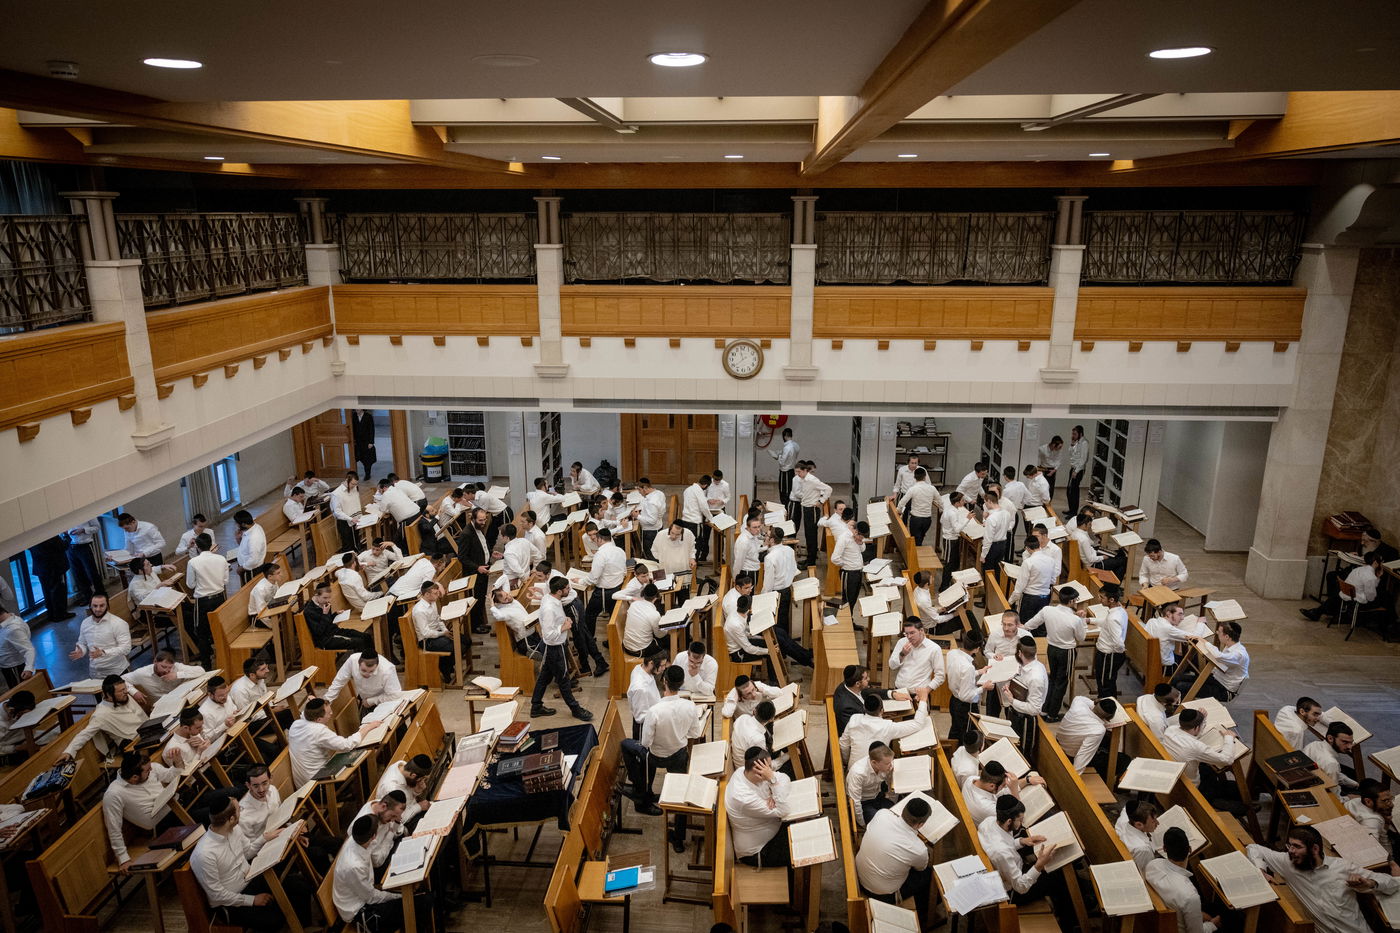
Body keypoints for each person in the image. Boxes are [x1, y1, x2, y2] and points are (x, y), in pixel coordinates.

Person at [1247, 825, 1398, 933]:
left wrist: (1369, 883)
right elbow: (1253, 848)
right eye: (1289, 845)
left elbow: (1392, 883)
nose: (1291, 851)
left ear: (1315, 849)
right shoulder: (1288, 862)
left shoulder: (1342, 867)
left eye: (1297, 847)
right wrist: (1261, 870)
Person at [623, 665, 704, 848]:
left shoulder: (655, 711)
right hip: (678, 756)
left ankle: (640, 789)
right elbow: (694, 733)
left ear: (664, 682)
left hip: (656, 756)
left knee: (626, 745)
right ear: (682, 683)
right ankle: (679, 838)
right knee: (681, 795)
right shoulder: (690, 706)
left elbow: (645, 742)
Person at [334, 814, 428, 930]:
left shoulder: (359, 840)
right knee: (419, 903)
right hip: (361, 911)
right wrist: (399, 896)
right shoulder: (354, 866)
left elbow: (378, 859)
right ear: (374, 836)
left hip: (368, 893)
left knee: (420, 893)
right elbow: (371, 897)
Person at [978, 796, 1069, 915]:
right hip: (1012, 892)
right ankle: (1069, 921)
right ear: (1009, 821)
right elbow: (1020, 887)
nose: (1021, 823)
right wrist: (1039, 864)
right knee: (1057, 875)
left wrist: (1022, 841)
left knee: (1050, 864)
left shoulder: (989, 821)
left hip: (1010, 868)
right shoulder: (1001, 852)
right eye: (1020, 820)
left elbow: (1003, 843)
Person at [856, 799, 933, 923]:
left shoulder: (882, 814)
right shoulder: (918, 849)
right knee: (929, 875)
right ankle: (923, 917)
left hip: (861, 874)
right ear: (920, 825)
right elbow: (920, 868)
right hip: (881, 894)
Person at [530, 577, 594, 722]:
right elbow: (549, 634)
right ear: (559, 591)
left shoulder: (550, 597)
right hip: (555, 648)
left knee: (544, 677)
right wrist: (563, 627)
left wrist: (565, 620)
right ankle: (576, 709)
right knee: (563, 680)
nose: (569, 590)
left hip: (555, 645)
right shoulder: (549, 609)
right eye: (566, 588)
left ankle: (536, 706)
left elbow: (556, 621)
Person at [103, 752, 181, 869]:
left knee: (214, 800)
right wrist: (123, 859)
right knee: (206, 819)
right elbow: (114, 827)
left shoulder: (149, 768)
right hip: (162, 826)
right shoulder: (114, 794)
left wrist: (178, 763)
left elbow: (170, 776)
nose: (151, 770)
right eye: (148, 771)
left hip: (176, 807)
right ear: (134, 777)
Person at [1162, 708, 1243, 815]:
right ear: (1196, 727)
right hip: (1192, 787)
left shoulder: (1171, 729)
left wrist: (1202, 719)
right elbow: (1226, 760)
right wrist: (1228, 738)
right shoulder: (1195, 747)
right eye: (1201, 725)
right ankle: (1214, 802)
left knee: (1211, 770)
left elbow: (1194, 733)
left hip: (1178, 774)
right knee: (1235, 789)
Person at [725, 746, 792, 867]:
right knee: (800, 851)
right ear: (758, 769)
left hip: (775, 825)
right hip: (759, 850)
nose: (770, 771)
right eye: (768, 768)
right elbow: (784, 810)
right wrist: (773, 782)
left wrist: (774, 785)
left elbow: (785, 778)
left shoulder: (744, 771)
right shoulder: (742, 798)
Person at [1025, 588, 1086, 720]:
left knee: (1052, 679)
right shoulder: (1074, 620)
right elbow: (1081, 637)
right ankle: (1053, 714)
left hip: (1051, 648)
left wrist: (1023, 627)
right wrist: (1082, 620)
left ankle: (1045, 709)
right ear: (1071, 601)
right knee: (1061, 683)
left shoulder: (1048, 610)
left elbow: (1032, 623)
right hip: (1066, 651)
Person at [1145, 827, 1220, 933]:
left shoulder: (1152, 865)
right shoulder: (1189, 895)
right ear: (1189, 849)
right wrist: (1212, 924)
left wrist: (1199, 913)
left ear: (1164, 849)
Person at [59, 675, 145, 760]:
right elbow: (85, 734)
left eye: (125, 688)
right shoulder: (101, 714)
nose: (126, 692)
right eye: (121, 690)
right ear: (109, 694)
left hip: (146, 731)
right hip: (131, 742)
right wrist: (69, 751)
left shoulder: (123, 697)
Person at [840, 687, 931, 765]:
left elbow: (843, 745)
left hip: (853, 767)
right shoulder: (887, 726)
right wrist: (923, 700)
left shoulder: (854, 719)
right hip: (874, 774)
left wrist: (846, 762)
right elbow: (917, 724)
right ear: (882, 711)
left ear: (864, 708)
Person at [287, 698, 360, 786]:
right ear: (318, 720)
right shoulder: (319, 730)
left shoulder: (295, 724)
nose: (331, 714)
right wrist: (365, 729)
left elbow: (304, 714)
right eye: (328, 713)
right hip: (319, 783)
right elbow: (347, 745)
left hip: (304, 782)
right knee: (359, 759)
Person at [1173, 620, 1250, 703]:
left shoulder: (1239, 654)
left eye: (1219, 631)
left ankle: (1178, 707)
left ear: (1227, 637)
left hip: (1225, 690)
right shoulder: (1230, 645)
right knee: (1178, 678)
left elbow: (1218, 656)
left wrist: (1204, 641)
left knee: (1181, 686)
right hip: (1217, 679)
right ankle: (1168, 700)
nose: (1217, 632)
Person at [1304, 552, 1386, 624]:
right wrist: (1378, 578)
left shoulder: (1357, 569)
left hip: (1345, 595)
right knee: (1386, 598)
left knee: (1335, 598)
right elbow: (1370, 598)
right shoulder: (1371, 577)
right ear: (1375, 563)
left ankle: (1317, 612)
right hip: (1356, 601)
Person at [186, 533, 229, 668]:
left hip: (203, 601)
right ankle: (225, 659)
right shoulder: (221, 559)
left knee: (202, 633)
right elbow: (226, 580)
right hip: (220, 598)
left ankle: (207, 665)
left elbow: (190, 585)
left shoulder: (193, 562)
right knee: (222, 629)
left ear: (197, 547)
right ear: (211, 545)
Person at [1003, 636, 1048, 754]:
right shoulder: (1028, 665)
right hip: (1016, 714)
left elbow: (1034, 709)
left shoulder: (1035, 677)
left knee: (1021, 753)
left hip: (1025, 722)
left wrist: (1012, 700)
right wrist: (1010, 683)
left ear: (1019, 653)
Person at [68, 593, 131, 678]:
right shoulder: (85, 623)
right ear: (90, 606)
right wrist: (81, 650)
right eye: (95, 606)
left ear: (107, 606)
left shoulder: (119, 623)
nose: (98, 609)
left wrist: (103, 652)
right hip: (95, 673)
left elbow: (126, 648)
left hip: (117, 672)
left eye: (102, 606)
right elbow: (82, 642)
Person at [303, 581, 374, 653]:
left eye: (329, 597)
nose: (327, 600)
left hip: (335, 631)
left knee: (366, 636)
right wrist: (325, 614)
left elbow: (328, 621)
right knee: (359, 642)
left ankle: (375, 659)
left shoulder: (325, 603)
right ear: (316, 595)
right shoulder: (309, 611)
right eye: (325, 598)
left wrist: (335, 614)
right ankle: (363, 662)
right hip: (326, 639)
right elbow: (319, 632)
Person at [1057, 696, 1121, 774]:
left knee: (1107, 740)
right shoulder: (1098, 730)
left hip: (1060, 742)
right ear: (1109, 718)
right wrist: (1075, 777)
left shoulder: (1078, 703)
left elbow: (1085, 700)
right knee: (1123, 760)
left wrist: (1096, 703)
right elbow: (1083, 755)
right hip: (1069, 755)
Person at [584, 527, 627, 637]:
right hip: (618, 588)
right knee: (614, 616)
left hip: (604, 591)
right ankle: (613, 640)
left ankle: (589, 641)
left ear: (599, 540)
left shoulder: (601, 554)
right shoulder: (620, 550)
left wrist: (580, 580)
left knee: (589, 614)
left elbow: (593, 578)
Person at [327, 650, 402, 709]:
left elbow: (395, 695)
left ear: (377, 665)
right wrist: (327, 701)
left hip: (386, 701)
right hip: (364, 699)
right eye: (363, 670)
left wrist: (371, 701)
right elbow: (339, 681)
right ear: (358, 663)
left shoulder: (388, 669)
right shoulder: (353, 660)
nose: (367, 674)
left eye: (371, 671)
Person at [410, 581, 454, 683]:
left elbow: (438, 619)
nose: (438, 595)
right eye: (435, 593)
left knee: (465, 641)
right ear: (426, 594)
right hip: (427, 641)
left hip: (437, 633)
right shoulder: (419, 610)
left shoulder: (432, 602)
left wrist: (445, 630)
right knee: (453, 646)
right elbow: (425, 633)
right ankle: (445, 668)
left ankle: (448, 665)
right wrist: (443, 634)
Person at [946, 627, 985, 740]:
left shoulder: (952, 653)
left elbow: (960, 675)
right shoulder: (968, 667)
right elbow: (966, 696)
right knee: (967, 736)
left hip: (954, 701)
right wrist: (983, 688)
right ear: (977, 649)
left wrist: (979, 672)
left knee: (955, 730)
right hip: (965, 707)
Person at [888, 617, 946, 693]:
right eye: (906, 633)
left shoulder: (934, 648)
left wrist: (926, 691)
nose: (909, 637)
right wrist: (902, 654)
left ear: (921, 630)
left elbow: (940, 676)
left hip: (919, 693)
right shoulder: (901, 642)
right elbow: (892, 666)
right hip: (899, 690)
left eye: (912, 633)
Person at [376, 755, 435, 827]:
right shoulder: (392, 788)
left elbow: (409, 795)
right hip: (401, 823)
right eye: (421, 779)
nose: (422, 781)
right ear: (413, 775)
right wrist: (419, 807)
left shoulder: (404, 766)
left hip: (412, 809)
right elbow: (399, 818)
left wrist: (417, 790)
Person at [125, 650, 206, 702]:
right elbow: (120, 679)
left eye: (170, 667)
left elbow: (201, 670)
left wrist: (177, 675)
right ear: (155, 662)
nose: (166, 671)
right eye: (163, 667)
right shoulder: (141, 673)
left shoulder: (176, 667)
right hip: (161, 704)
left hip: (182, 699)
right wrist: (133, 691)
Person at [794, 462, 833, 568]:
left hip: (812, 510)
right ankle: (809, 559)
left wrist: (821, 501)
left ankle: (811, 562)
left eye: (799, 472)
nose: (797, 474)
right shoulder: (804, 479)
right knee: (808, 535)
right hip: (806, 508)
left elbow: (828, 489)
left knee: (811, 536)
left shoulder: (812, 480)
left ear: (805, 470)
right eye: (796, 472)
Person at [1094, 582, 1129, 699]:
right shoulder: (1119, 610)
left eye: (1102, 597)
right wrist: (1089, 620)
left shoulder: (1114, 618)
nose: (1099, 599)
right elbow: (1106, 622)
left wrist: (1120, 652)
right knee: (1106, 682)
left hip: (1108, 656)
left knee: (1105, 685)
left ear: (1112, 599)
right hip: (1107, 655)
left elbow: (1118, 642)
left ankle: (1106, 708)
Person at [1345, 780, 1396, 858]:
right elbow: (1372, 848)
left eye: (1390, 799)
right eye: (1385, 801)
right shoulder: (1372, 821)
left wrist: (1386, 823)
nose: (1391, 804)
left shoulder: (1356, 801)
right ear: (1368, 801)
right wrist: (1391, 860)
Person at [1303, 722, 1359, 792]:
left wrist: (1355, 784)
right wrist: (1348, 798)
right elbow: (1334, 794)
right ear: (1330, 738)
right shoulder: (1332, 764)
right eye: (1345, 742)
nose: (1349, 747)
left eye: (1351, 742)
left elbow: (1334, 774)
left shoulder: (1313, 744)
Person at [1010, 536, 1056, 622]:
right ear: (1039, 545)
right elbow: (1053, 580)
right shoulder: (1051, 560)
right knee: (1040, 626)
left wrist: (1010, 601)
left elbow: (1020, 586)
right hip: (1045, 597)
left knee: (1026, 625)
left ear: (1027, 548)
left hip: (1030, 598)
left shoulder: (1028, 562)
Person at [896, 467, 940, 546]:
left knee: (915, 540)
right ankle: (918, 552)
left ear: (914, 477)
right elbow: (940, 501)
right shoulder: (932, 488)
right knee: (920, 538)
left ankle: (915, 555)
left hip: (916, 519)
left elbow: (902, 502)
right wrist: (942, 509)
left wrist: (899, 510)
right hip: (927, 519)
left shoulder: (913, 489)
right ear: (925, 477)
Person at [830, 518, 866, 613]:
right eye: (861, 537)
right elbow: (834, 558)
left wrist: (860, 542)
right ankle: (846, 622)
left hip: (858, 572)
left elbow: (862, 549)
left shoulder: (859, 538)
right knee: (847, 600)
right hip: (848, 574)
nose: (862, 538)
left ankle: (851, 620)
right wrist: (846, 565)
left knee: (853, 599)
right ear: (856, 531)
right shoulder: (844, 538)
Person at [627, 654, 666, 739]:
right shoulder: (641, 688)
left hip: (652, 713)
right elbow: (640, 717)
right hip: (644, 728)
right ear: (651, 663)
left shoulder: (640, 667)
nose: (663, 668)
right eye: (662, 665)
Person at [1115, 799, 1160, 872]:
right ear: (1139, 825)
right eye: (1153, 821)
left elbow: (1125, 809)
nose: (1158, 823)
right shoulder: (1143, 850)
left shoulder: (1123, 821)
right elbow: (1143, 873)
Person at [64, 519, 103, 603]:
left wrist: (83, 530)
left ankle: (101, 594)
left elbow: (97, 527)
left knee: (91, 572)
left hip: (84, 546)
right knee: (77, 574)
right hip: (70, 546)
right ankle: (87, 597)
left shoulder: (87, 513)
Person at [623, 583, 667, 657]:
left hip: (627, 645)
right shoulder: (654, 614)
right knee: (667, 640)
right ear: (656, 596)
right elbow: (660, 635)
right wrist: (667, 628)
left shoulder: (634, 604)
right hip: (641, 649)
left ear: (643, 594)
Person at [938, 492, 971, 589]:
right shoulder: (952, 513)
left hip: (954, 538)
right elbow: (957, 529)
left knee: (955, 562)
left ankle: (951, 582)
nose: (964, 502)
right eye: (962, 500)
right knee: (949, 563)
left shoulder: (951, 508)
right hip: (950, 540)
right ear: (957, 502)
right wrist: (967, 519)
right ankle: (943, 586)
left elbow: (941, 520)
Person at [720, 675, 785, 720]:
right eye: (748, 694)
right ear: (740, 695)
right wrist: (735, 698)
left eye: (753, 689)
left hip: (765, 720)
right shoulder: (734, 696)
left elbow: (779, 693)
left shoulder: (757, 685)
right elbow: (727, 713)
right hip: (748, 727)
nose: (753, 695)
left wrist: (763, 690)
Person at [0, 604, 35, 686]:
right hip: (9, 664)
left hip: (13, 667)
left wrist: (28, 669)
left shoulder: (13, 629)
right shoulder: (11, 617)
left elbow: (29, 649)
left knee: (18, 690)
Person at [771, 427, 799, 516]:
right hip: (791, 470)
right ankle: (787, 508)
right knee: (789, 489)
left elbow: (782, 462)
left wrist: (777, 456)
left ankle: (786, 510)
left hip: (785, 472)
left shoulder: (787, 447)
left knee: (784, 492)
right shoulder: (795, 445)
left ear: (785, 436)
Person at [232, 510, 267, 578]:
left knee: (250, 588)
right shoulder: (253, 527)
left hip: (251, 570)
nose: (236, 525)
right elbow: (244, 548)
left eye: (237, 523)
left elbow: (253, 560)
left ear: (243, 524)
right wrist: (238, 538)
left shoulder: (254, 538)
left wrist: (241, 569)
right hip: (247, 567)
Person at [1064, 426, 1089, 515]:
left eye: (1075, 434)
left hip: (1078, 470)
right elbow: (1070, 453)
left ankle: (1074, 512)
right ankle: (1071, 509)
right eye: (1072, 434)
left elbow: (1083, 459)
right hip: (1073, 468)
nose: (1073, 435)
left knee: (1074, 491)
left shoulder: (1084, 443)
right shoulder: (1077, 442)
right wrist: (1072, 443)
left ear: (1080, 434)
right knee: (1069, 490)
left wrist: (1076, 471)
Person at [351, 409, 377, 479]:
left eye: (358, 408)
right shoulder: (353, 416)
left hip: (366, 441)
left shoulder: (368, 416)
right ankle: (353, 475)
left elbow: (371, 429)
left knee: (367, 459)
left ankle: (367, 474)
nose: (357, 410)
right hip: (357, 442)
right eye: (355, 408)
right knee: (359, 457)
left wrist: (371, 442)